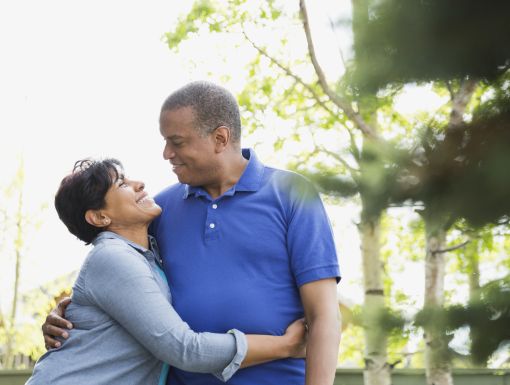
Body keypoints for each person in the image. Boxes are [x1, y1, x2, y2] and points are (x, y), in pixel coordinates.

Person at [43, 81, 341, 385]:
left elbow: (323, 315)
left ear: (220, 138)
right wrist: (67, 317)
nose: (166, 153)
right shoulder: (161, 209)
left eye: (177, 142)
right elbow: (120, 276)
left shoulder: (292, 195)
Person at [29, 158, 306, 385]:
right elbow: (183, 349)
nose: (139, 184)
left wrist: (68, 307)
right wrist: (287, 346)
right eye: (122, 184)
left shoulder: (146, 253)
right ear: (100, 217)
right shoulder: (113, 257)